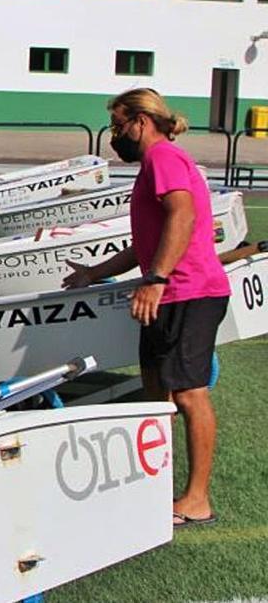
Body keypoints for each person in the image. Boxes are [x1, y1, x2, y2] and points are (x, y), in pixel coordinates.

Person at [64, 87, 229, 528]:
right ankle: (155, 484)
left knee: (189, 392)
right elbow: (147, 243)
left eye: (118, 125)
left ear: (141, 120)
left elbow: (183, 217)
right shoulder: (152, 166)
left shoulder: (165, 159)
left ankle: (197, 499)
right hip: (169, 293)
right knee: (158, 392)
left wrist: (155, 281)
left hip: (190, 292)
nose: (115, 135)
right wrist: (93, 273)